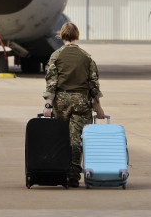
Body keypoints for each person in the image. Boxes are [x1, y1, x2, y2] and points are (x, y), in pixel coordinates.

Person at [42, 21, 105, 188]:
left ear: (61, 36)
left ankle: (60, 171)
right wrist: (98, 107)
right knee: (76, 140)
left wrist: (48, 104)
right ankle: (73, 175)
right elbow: (93, 85)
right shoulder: (86, 57)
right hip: (81, 102)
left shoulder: (56, 56)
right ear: (76, 36)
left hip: (61, 102)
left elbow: (51, 82)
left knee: (61, 138)